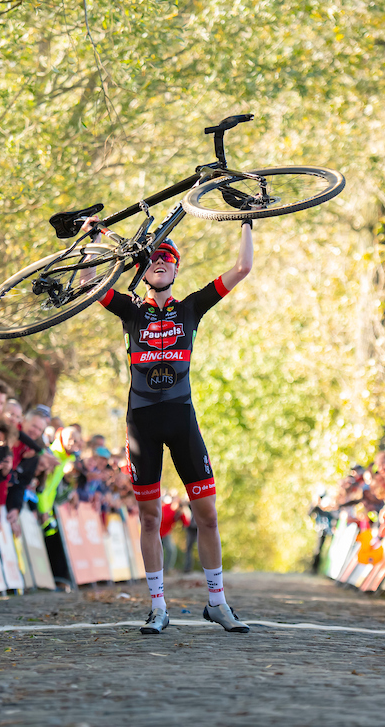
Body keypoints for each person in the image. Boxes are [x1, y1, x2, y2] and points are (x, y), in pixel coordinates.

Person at [84, 223, 254, 634]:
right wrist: (91, 239)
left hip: (182, 418)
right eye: (153, 259)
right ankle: (158, 607)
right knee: (148, 517)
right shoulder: (130, 309)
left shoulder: (193, 306)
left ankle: (218, 602)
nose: (160, 263)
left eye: (168, 259)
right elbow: (89, 285)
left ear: (176, 270)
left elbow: (243, 267)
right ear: (143, 272)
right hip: (141, 422)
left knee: (207, 515)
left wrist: (247, 221)